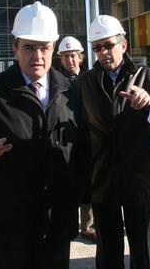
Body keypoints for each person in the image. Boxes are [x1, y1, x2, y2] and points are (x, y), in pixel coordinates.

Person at [0, 2, 90, 269]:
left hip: (56, 220)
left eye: (44, 47)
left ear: (53, 48)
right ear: (15, 49)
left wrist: (80, 193)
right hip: (10, 223)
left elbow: (83, 146)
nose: (37, 56)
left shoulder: (70, 90)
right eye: (29, 47)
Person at [77, 14, 150, 269]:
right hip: (102, 180)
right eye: (97, 47)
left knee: (141, 249)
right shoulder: (84, 83)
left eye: (108, 45)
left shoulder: (148, 77)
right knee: (108, 250)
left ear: (123, 44)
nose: (103, 52)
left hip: (138, 178)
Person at [56, 36, 96, 243]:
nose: (70, 60)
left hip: (88, 137)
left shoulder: (91, 79)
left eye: (73, 56)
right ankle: (67, 224)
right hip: (66, 139)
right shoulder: (55, 81)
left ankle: (88, 226)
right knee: (68, 182)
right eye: (65, 56)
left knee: (89, 183)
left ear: (80, 57)